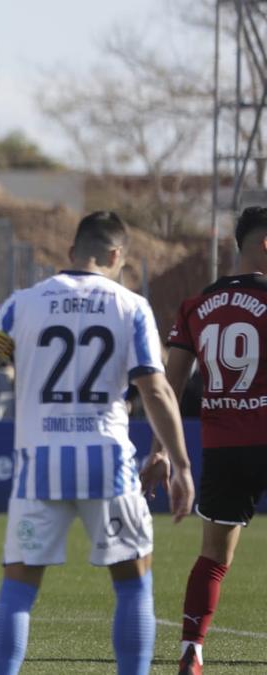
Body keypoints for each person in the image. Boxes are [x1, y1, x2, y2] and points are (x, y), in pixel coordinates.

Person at [0, 211, 194, 675]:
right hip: (108, 462)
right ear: (115, 255)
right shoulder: (131, 306)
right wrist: (179, 463)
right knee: (132, 584)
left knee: (18, 590)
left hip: (38, 464)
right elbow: (155, 389)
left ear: (71, 253)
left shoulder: (21, 305)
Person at [161, 206, 267, 674]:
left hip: (223, 449)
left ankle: (191, 649)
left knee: (213, 558)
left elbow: (170, 383)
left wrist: (160, 450)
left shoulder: (197, 304)